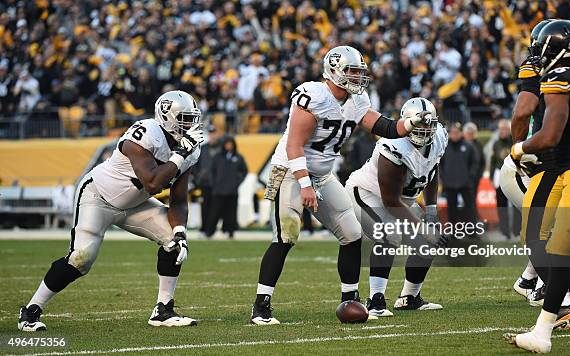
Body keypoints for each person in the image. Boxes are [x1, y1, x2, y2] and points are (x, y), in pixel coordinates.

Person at [251, 45, 426, 325]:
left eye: (359, 72)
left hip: (322, 174)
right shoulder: (314, 95)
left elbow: (386, 128)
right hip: (291, 172)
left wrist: (411, 122)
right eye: (352, 71)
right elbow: (295, 145)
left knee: (352, 232)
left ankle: (350, 299)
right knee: (286, 236)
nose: (357, 77)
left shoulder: (356, 100)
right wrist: (305, 185)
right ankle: (261, 306)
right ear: (333, 71)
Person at [18, 90, 205, 331]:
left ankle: (163, 310)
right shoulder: (146, 133)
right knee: (80, 259)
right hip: (98, 196)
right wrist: (180, 155)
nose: (191, 125)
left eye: (193, 119)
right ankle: (31, 311)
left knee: (173, 241)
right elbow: (152, 182)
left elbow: (178, 199)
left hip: (135, 204)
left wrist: (180, 232)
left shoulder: (190, 150)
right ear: (167, 117)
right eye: (185, 119)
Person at [504, 20, 570, 355]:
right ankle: (542, 332)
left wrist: (519, 149)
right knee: (562, 255)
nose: (537, 52)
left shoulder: (560, 76)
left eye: (541, 46)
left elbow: (549, 135)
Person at [500, 20, 570, 329]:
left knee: (562, 232)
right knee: (551, 233)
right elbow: (523, 112)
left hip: (556, 164)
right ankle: (562, 305)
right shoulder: (540, 70)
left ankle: (528, 281)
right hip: (530, 166)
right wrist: (520, 148)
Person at [345, 97, 448, 317]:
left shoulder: (439, 136)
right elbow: (390, 201)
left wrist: (431, 213)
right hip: (367, 194)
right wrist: (422, 228)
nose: (423, 130)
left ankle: (409, 297)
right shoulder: (392, 146)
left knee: (428, 242)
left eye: (427, 125)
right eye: (417, 125)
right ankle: (375, 301)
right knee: (388, 235)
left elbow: (431, 171)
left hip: (402, 201)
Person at [205, 136, 248, 239]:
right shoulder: (217, 157)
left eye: (231, 144)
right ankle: (209, 232)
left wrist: (237, 182)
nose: (229, 146)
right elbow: (211, 171)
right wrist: (214, 183)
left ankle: (230, 232)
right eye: (227, 144)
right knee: (214, 212)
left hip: (232, 191)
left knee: (231, 213)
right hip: (218, 190)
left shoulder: (238, 157)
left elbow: (244, 171)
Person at [440, 123, 478, 225]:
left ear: (461, 133)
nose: (454, 135)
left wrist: (470, 177)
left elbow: (474, 163)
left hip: (465, 184)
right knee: (452, 209)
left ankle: (472, 231)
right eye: (452, 132)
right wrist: (444, 178)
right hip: (450, 184)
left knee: (470, 208)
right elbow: (440, 164)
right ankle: (453, 232)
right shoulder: (444, 146)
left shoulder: (469, 146)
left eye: (456, 132)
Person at [490, 119, 520, 239]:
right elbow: (493, 162)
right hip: (499, 175)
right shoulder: (496, 143)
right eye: (501, 129)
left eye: (505, 129)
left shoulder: (514, 142)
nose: (503, 131)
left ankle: (517, 231)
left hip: (513, 175)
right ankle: (505, 232)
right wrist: (492, 176)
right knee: (501, 205)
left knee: (516, 205)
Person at [463, 122, 484, 199]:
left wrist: (479, 174)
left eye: (472, 133)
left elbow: (482, 161)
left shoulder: (478, 145)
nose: (470, 135)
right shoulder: (459, 144)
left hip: (474, 177)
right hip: (461, 178)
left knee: (472, 198)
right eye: (468, 133)